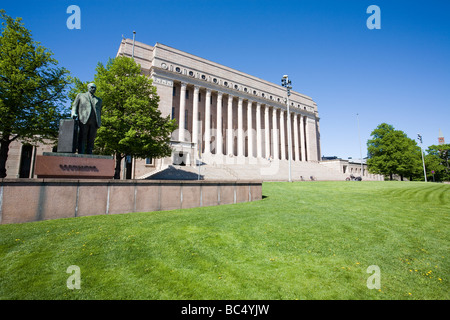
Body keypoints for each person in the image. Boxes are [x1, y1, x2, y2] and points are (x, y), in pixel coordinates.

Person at [71, 83, 102, 154]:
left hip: (94, 121)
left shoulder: (99, 100)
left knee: (91, 139)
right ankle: (81, 153)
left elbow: (99, 111)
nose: (93, 89)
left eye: (95, 88)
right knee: (82, 137)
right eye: (92, 87)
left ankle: (89, 153)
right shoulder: (81, 95)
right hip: (83, 119)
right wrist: (73, 113)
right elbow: (74, 106)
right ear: (88, 87)